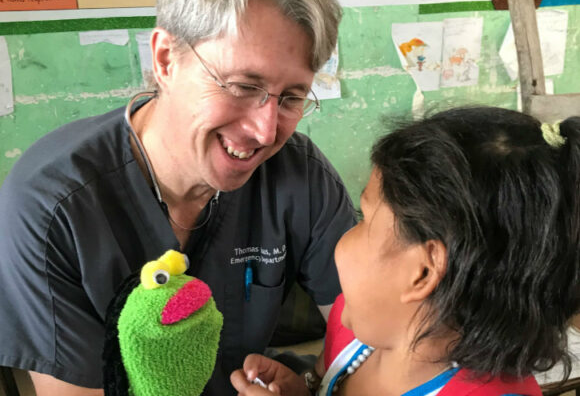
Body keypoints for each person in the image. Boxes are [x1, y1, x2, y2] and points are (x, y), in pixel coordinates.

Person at [0, 0, 355, 395]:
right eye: (242, 86)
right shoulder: (51, 209)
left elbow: (370, 335)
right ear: (166, 60)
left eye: (291, 97)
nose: (266, 131)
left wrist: (308, 385)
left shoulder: (299, 175)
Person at [230, 107, 580, 395]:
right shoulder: (353, 327)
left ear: (423, 272)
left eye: (363, 218)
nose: (343, 238)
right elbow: (323, 381)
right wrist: (302, 390)